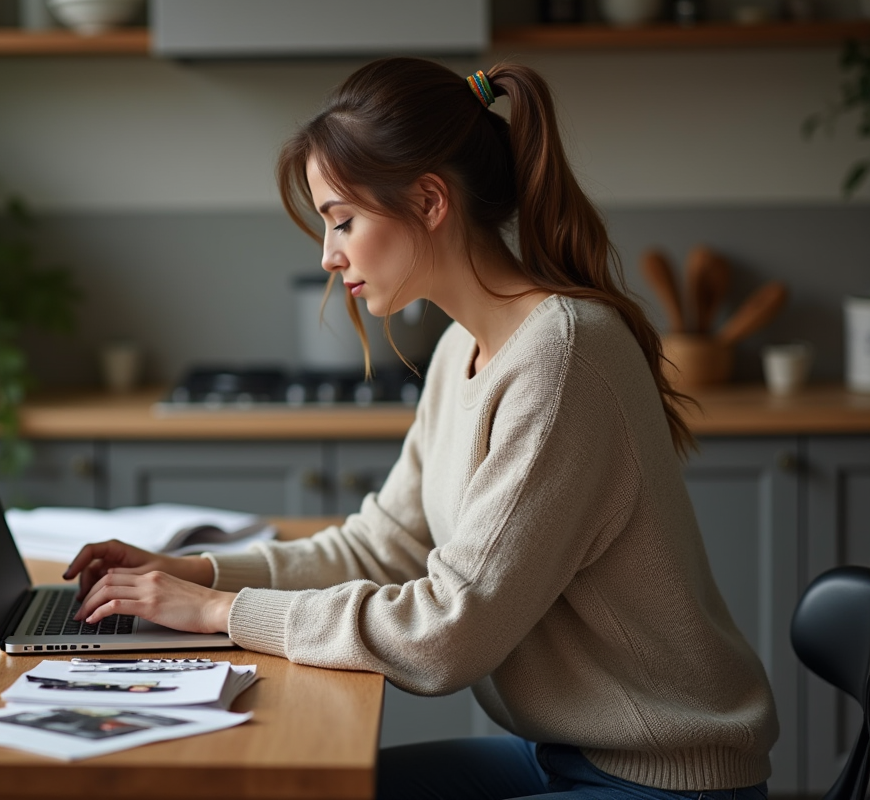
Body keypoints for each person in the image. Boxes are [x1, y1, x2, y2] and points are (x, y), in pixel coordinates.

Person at [65, 57, 778, 800]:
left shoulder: (562, 357)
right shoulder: (461, 349)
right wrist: (198, 573)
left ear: (431, 200)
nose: (328, 253)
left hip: (661, 777)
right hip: (569, 751)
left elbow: (446, 633)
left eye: (343, 220)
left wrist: (220, 614)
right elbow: (386, 545)